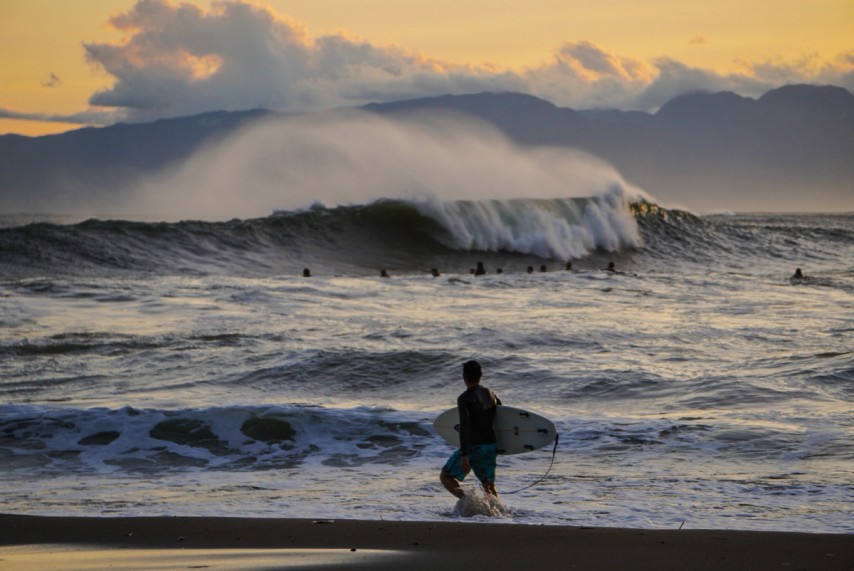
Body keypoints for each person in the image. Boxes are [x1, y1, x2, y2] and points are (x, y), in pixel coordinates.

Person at [440, 360, 502, 498]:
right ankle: (497, 513)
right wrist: (499, 448)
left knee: (445, 476)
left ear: (464, 377)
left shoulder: (464, 398)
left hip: (474, 446)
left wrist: (464, 456)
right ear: (480, 375)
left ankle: (470, 502)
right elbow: (502, 418)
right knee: (488, 484)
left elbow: (465, 427)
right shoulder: (491, 394)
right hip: (490, 445)